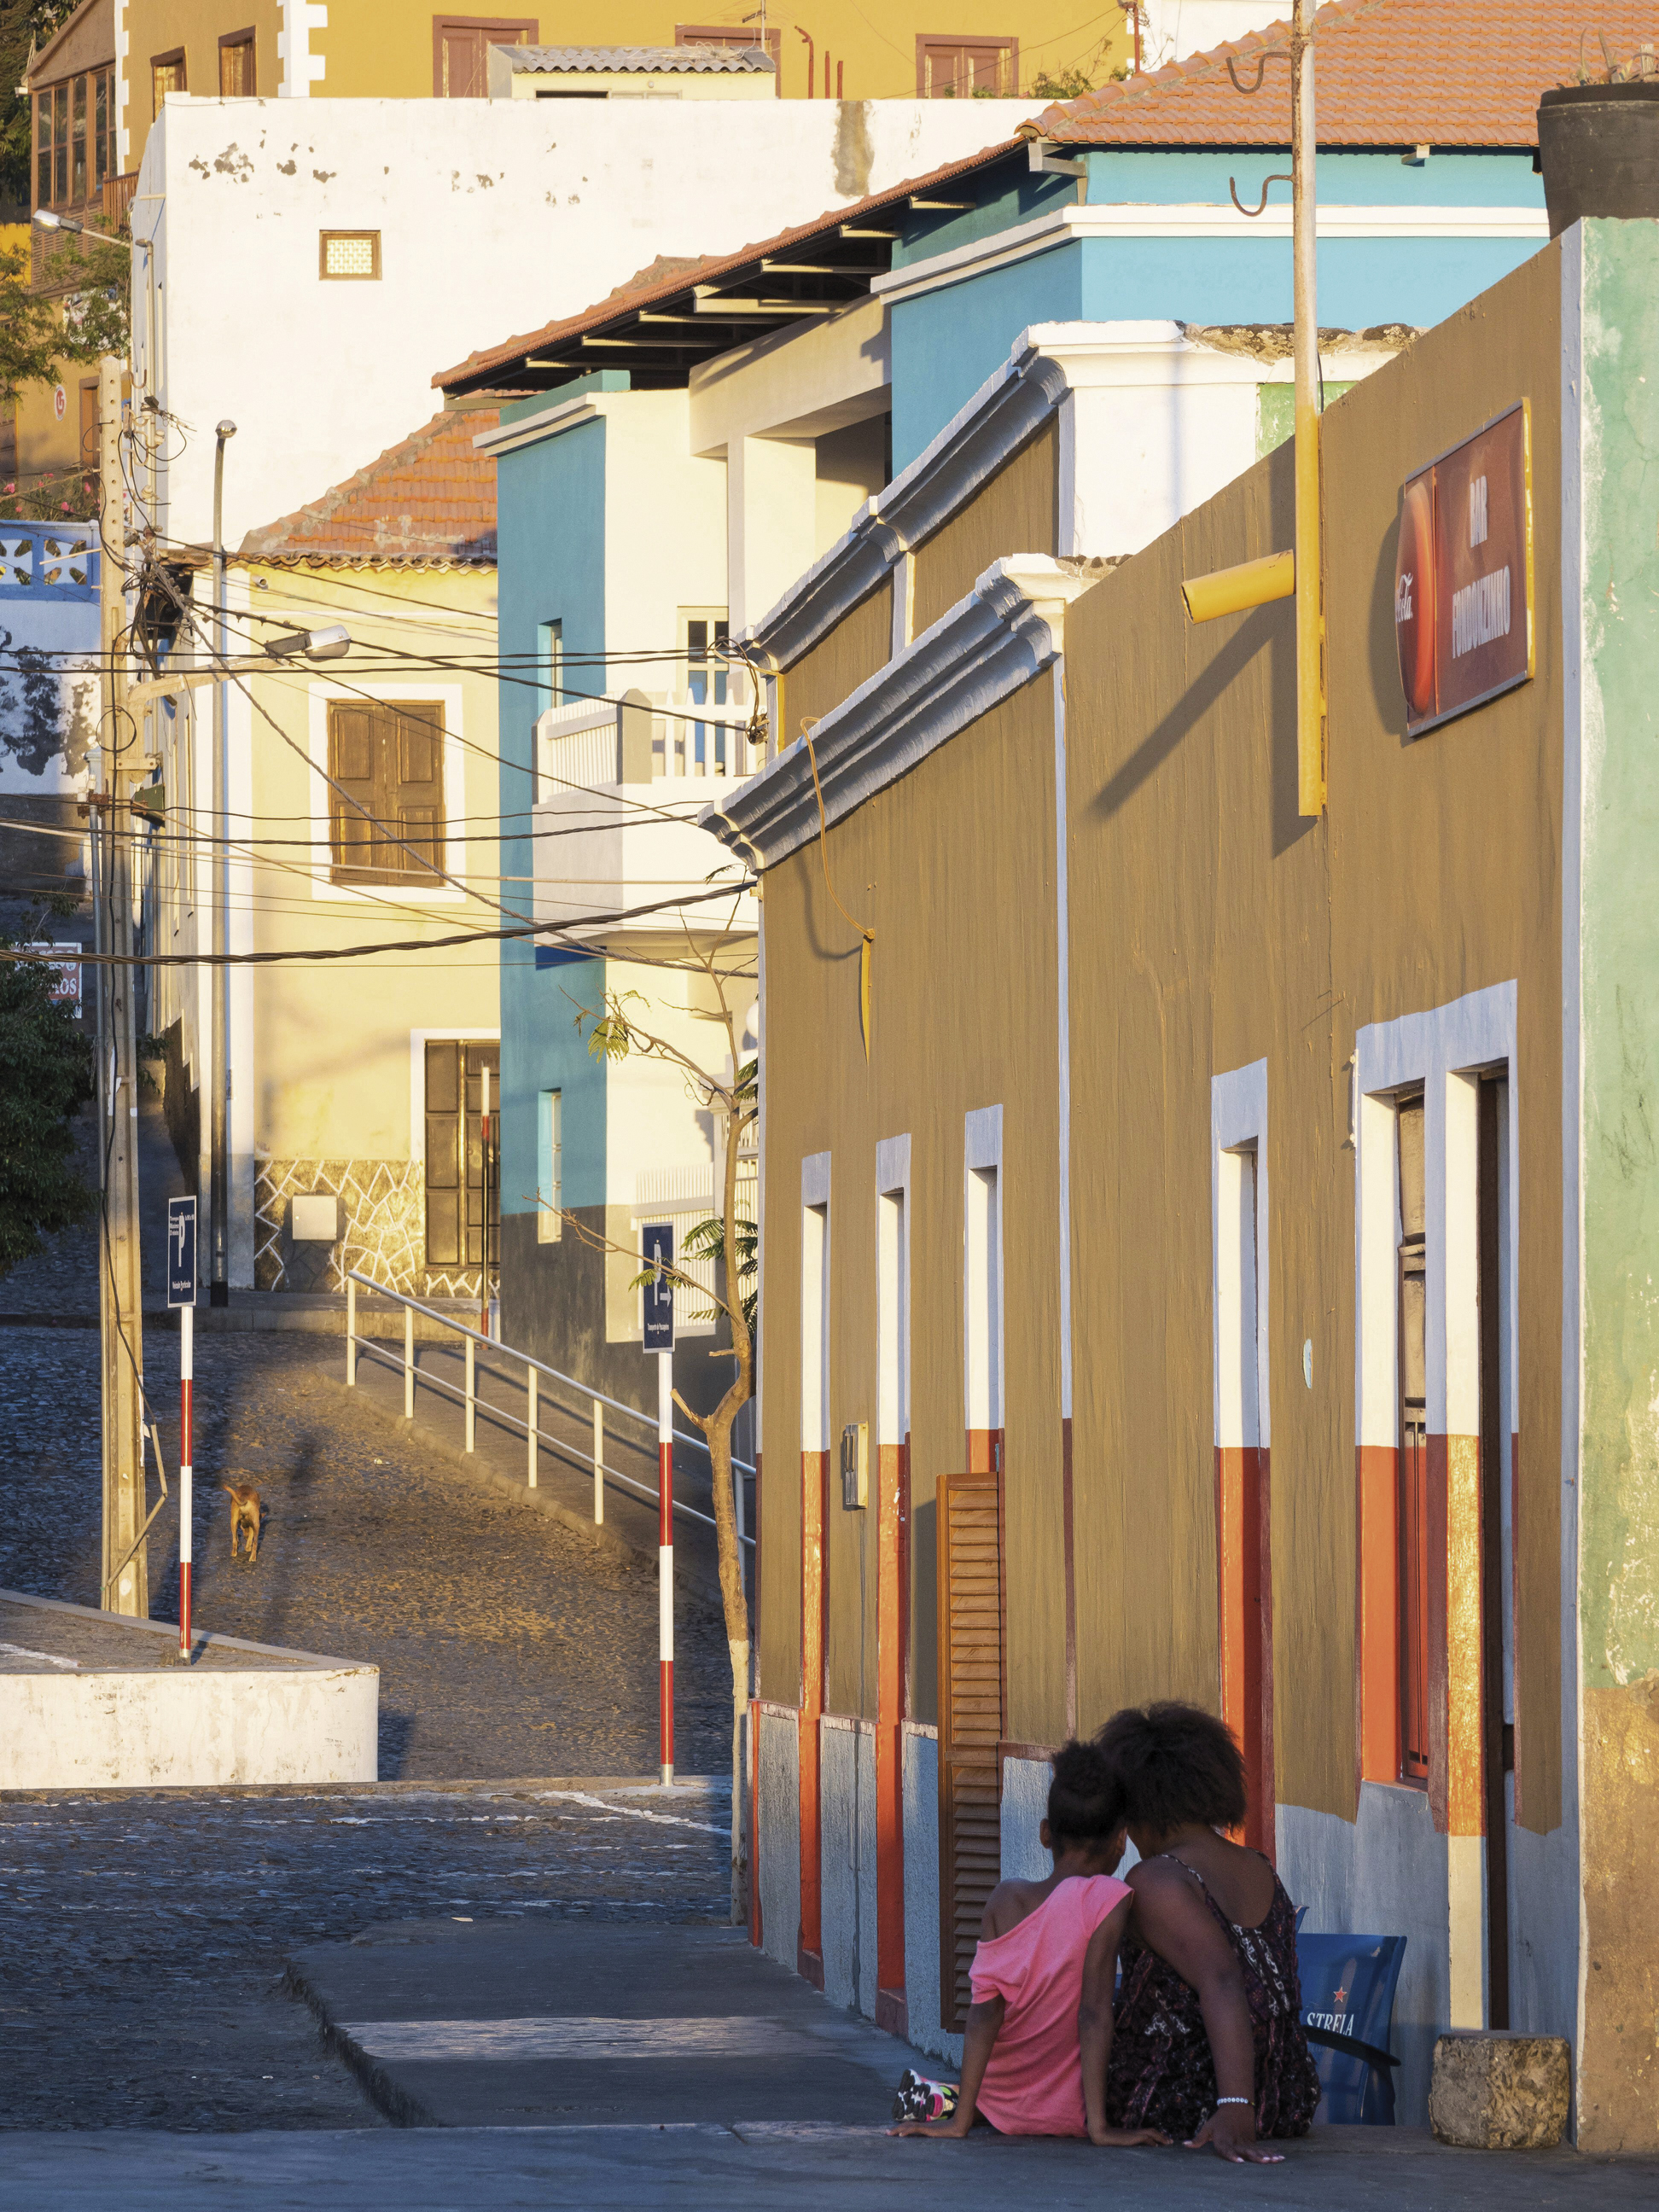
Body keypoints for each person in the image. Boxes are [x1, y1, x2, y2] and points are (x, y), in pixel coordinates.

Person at [889, 1740, 1170, 2147]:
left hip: (999, 2099)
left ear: (1045, 1834)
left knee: (985, 2093)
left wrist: (960, 2124)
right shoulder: (1107, 1900)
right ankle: (955, 2100)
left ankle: (956, 2103)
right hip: (1067, 2111)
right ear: (1121, 1840)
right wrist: (1099, 2128)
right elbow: (1093, 2014)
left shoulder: (1006, 1899)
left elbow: (984, 2015)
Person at [1098, 1701, 1320, 2164]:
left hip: (1182, 2100)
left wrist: (1235, 2106)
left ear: (1139, 1806)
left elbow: (1222, 1980)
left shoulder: (1157, 1880)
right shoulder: (1258, 1866)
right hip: (1283, 2096)